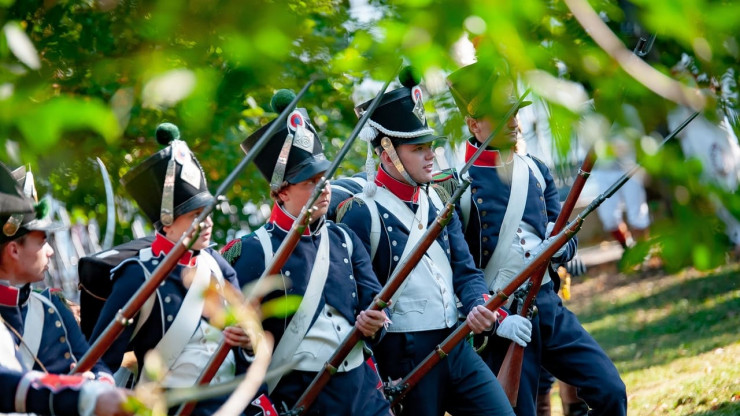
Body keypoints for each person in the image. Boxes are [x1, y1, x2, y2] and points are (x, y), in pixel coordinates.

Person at [446, 61, 627, 416]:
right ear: (473, 124)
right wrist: (494, 318)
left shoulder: (535, 169)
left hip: (547, 302)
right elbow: (460, 268)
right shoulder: (457, 186)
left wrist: (556, 248)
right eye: (502, 114)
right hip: (503, 318)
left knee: (610, 390)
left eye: (514, 113)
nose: (514, 122)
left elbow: (566, 235)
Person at [335, 71, 519, 416]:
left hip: (456, 341)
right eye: (418, 149)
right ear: (387, 151)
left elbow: (466, 271)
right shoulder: (361, 213)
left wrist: (480, 304)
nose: (430, 156)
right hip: (405, 354)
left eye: (430, 146)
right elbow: (358, 296)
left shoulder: (438, 199)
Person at [222, 92, 392, 416]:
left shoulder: (344, 238)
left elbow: (377, 302)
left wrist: (375, 323)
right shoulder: (254, 252)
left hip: (363, 388)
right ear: (280, 191)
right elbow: (235, 349)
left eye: (325, 178)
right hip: (303, 396)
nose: (324, 188)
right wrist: (263, 407)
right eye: (311, 181)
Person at [89, 123, 251, 415]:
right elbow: (99, 359)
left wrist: (249, 343)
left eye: (208, 212)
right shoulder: (138, 275)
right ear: (167, 222)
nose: (207, 222)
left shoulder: (217, 265)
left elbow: (245, 347)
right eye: (194, 215)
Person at [0, 161, 131, 416]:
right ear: (14, 249)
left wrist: (102, 387)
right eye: (42, 242)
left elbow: (92, 362)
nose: (50, 251)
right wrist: (84, 397)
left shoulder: (50, 306)